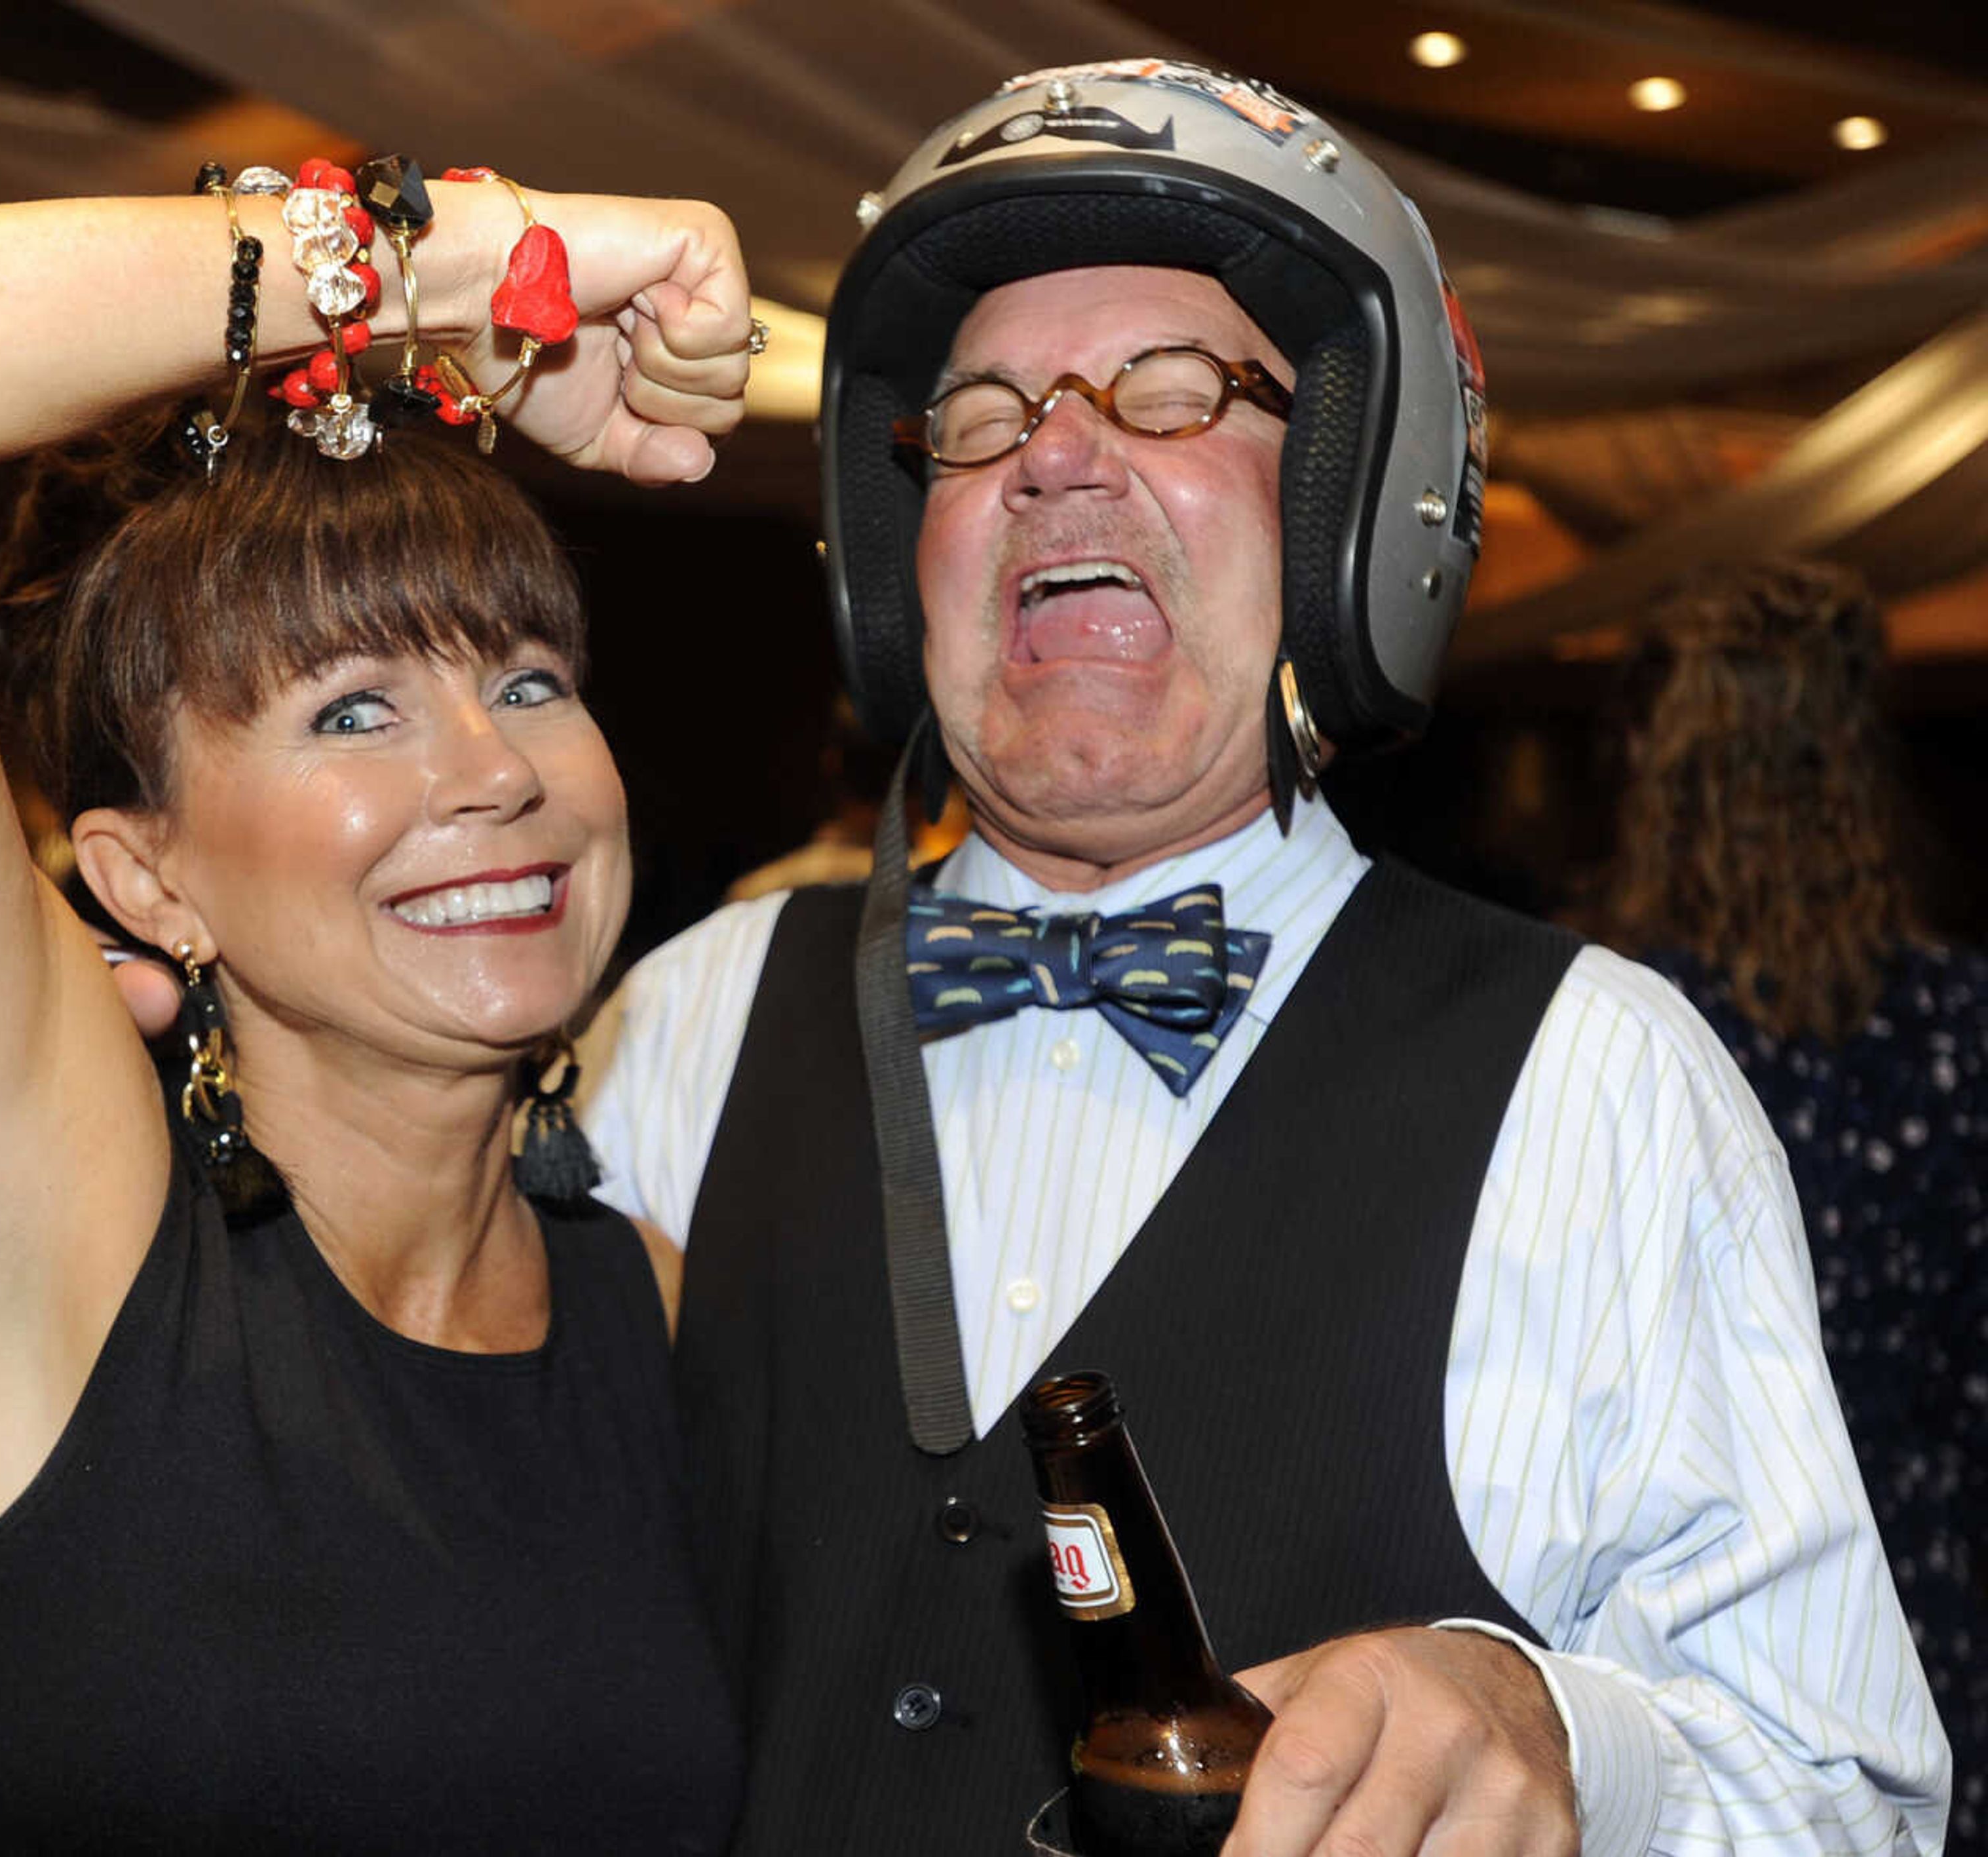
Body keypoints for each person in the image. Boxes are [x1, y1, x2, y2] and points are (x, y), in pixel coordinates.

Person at [580, 60, 1953, 1856]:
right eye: (983, 417)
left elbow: (1838, 1793)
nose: (1057, 453)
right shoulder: (687, 1013)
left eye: (1168, 391)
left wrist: (1562, 1739)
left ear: (1347, 520)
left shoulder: (1599, 1077)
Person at [0, 168, 754, 1852]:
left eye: (528, 680)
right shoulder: (34, 1217)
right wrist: (461, 261)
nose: (498, 771)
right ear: (148, 883)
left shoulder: (638, 1300)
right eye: (354, 710)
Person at [1605, 558, 1985, 1852]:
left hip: (1691, 1615)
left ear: (1676, 773)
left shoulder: (1617, 1033)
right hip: (1927, 1599)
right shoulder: (1962, 1024)